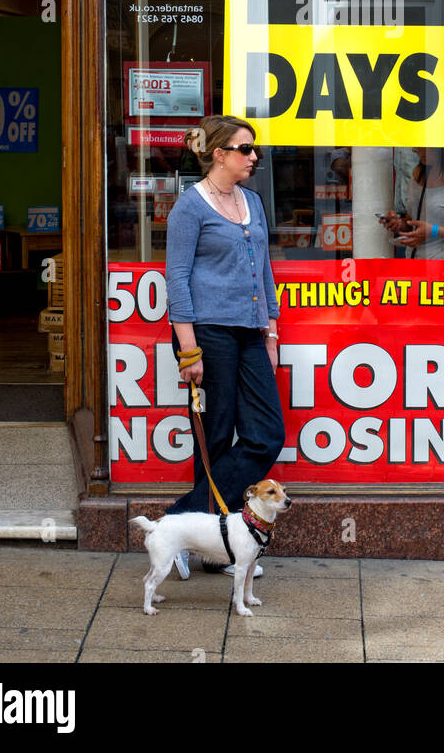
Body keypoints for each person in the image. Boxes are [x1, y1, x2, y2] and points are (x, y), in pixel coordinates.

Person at [163, 114, 285, 578]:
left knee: (265, 432)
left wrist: (270, 331)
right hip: (207, 334)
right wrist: (188, 348)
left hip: (250, 332)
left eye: (254, 150)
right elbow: (176, 277)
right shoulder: (190, 207)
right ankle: (217, 549)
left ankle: (179, 521)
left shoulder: (252, 200)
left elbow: (265, 271)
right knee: (213, 440)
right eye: (245, 149)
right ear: (219, 154)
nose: (254, 157)